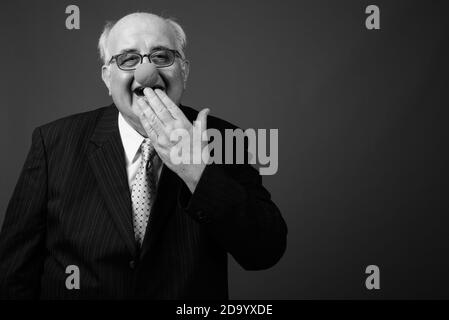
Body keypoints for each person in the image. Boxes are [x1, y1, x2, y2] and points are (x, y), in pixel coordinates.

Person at [0, 12, 287, 299]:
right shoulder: (53, 143)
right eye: (128, 59)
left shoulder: (228, 141)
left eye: (161, 57)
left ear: (184, 70)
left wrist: (198, 172)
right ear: (107, 77)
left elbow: (265, 252)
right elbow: (13, 271)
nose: (146, 73)